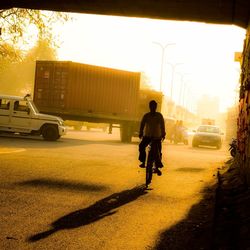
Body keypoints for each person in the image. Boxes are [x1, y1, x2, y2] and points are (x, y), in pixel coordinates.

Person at [138, 100, 166, 175]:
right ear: (149, 107)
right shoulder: (146, 116)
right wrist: (140, 132)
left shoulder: (159, 116)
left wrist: (163, 134)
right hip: (147, 136)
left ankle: (157, 167)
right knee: (141, 146)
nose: (153, 108)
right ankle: (143, 161)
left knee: (158, 151)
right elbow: (142, 124)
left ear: (156, 107)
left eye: (154, 106)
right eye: (152, 106)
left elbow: (162, 125)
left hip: (157, 137)